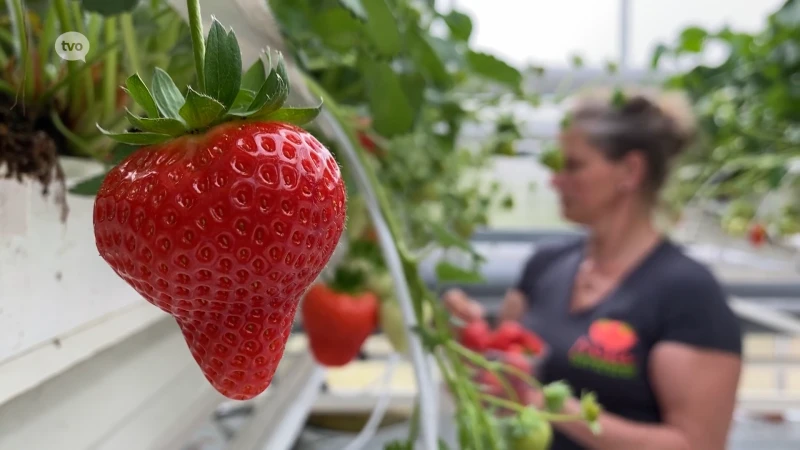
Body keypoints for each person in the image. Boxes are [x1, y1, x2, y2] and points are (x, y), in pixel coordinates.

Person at [443, 87, 743, 450]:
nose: (555, 180)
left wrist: (550, 406)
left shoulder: (688, 294)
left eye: (573, 165)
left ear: (630, 170)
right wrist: (470, 343)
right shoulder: (544, 266)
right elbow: (500, 394)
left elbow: (698, 444)